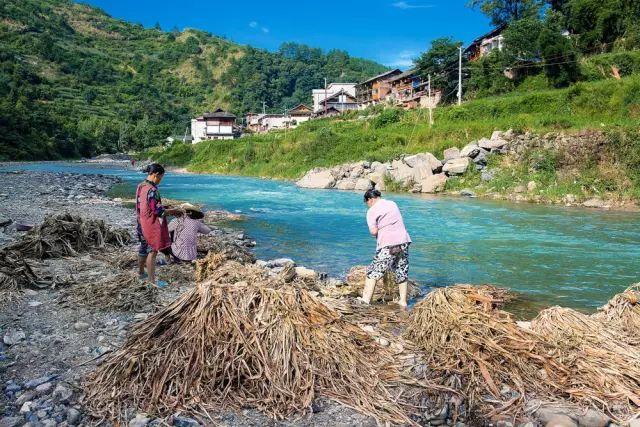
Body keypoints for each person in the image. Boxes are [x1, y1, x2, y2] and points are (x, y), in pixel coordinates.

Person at [360, 188, 412, 309]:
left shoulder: (372, 211)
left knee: (373, 272)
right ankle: (403, 302)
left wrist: (379, 228)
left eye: (366, 202)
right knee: (401, 270)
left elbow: (373, 232)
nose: (367, 205)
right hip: (404, 240)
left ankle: (365, 301)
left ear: (370, 200)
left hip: (388, 244)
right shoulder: (392, 203)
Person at [135, 163, 183, 286]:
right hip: (150, 224)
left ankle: (140, 273)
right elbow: (158, 211)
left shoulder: (141, 186)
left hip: (141, 222)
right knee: (153, 251)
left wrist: (165, 207)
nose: (160, 180)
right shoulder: (153, 190)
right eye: (161, 177)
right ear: (156, 174)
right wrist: (175, 211)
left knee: (143, 248)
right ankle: (152, 282)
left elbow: (145, 206)